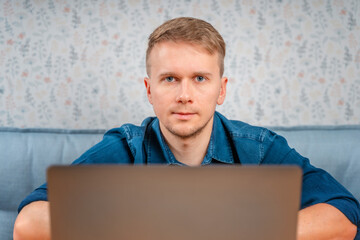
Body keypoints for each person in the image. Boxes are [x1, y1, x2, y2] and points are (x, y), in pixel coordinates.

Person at [14, 17, 359, 240]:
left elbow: (344, 216)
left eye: (199, 79)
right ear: (150, 91)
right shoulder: (125, 149)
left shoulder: (258, 149)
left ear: (220, 89)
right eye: (169, 79)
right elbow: (29, 224)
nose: (184, 95)